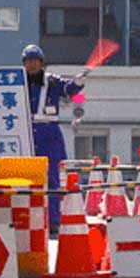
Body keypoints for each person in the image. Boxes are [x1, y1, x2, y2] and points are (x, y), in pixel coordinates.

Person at [21, 44, 85, 234]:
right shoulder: (17, 81)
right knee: (23, 179)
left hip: (48, 132)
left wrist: (78, 83)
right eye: (28, 61)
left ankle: (54, 221)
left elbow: (69, 89)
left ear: (42, 63)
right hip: (25, 132)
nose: (32, 65)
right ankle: (27, 219)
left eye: (35, 61)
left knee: (53, 180)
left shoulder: (52, 81)